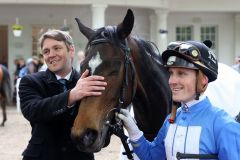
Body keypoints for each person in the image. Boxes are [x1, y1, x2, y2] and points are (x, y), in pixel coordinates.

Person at [117, 40, 240, 160]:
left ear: (203, 80)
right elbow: (152, 156)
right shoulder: (170, 120)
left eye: (181, 73)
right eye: (171, 73)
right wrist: (134, 131)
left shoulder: (223, 125)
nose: (172, 81)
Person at [19, 29, 107, 160]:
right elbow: (33, 111)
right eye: (46, 51)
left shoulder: (88, 82)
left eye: (57, 48)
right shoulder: (30, 81)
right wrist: (72, 95)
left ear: (71, 50)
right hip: (41, 155)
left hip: (80, 156)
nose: (51, 55)